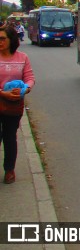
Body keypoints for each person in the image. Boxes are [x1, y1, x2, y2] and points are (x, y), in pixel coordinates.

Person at [0, 24, 35, 184]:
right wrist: (3, 93)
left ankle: (9, 170)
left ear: (11, 39)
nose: (0, 41)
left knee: (9, 137)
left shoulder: (22, 58)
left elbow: (29, 78)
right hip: (2, 97)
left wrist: (25, 90)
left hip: (13, 105)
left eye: (2, 39)